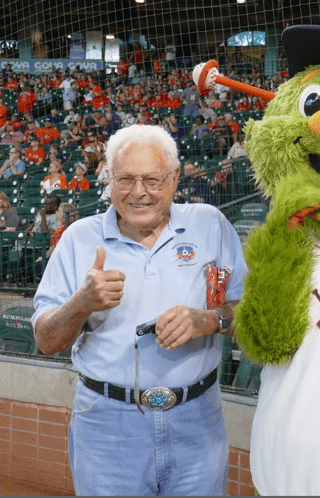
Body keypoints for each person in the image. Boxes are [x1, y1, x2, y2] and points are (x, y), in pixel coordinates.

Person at [31, 124, 246, 496]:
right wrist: (81, 303)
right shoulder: (79, 238)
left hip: (197, 422)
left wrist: (209, 319)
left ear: (174, 178)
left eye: (152, 179)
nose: (139, 192)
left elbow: (249, 314)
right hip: (107, 427)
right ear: (109, 179)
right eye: (125, 179)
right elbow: (46, 340)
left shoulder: (210, 224)